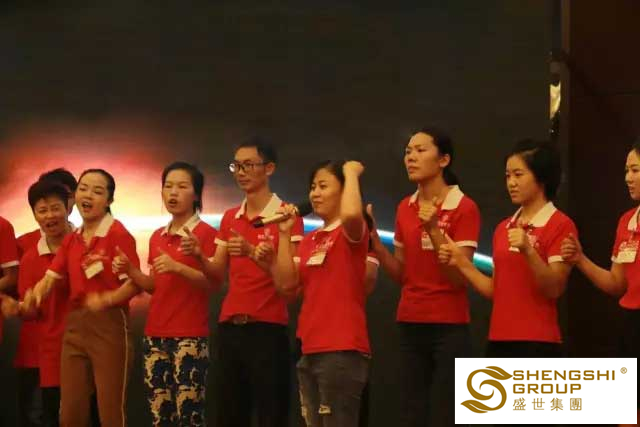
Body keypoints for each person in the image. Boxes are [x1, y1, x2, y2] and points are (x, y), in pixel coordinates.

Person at [367, 127, 481, 427]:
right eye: (408, 152)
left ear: (443, 160)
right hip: (410, 322)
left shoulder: (464, 207)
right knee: (411, 412)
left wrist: (433, 229)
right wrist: (376, 244)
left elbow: (459, 278)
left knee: (447, 414)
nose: (411, 158)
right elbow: (402, 273)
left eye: (420, 150)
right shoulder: (405, 207)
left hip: (449, 325)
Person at [439, 139, 576, 357]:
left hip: (538, 341)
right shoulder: (503, 228)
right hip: (498, 339)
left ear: (541, 177)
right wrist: (461, 262)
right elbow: (495, 290)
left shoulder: (561, 224)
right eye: (507, 176)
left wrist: (528, 250)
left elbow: (554, 288)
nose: (511, 183)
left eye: (518, 175)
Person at [25, 168, 140, 426]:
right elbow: (51, 277)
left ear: (109, 200)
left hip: (109, 325)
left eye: (97, 191)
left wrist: (107, 299)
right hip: (75, 327)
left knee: (109, 411)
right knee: (70, 413)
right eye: (83, 189)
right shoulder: (73, 239)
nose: (88, 195)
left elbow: (135, 284)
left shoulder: (118, 234)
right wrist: (36, 293)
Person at [113, 162, 217, 426]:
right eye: (168, 186)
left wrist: (178, 267)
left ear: (196, 194)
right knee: (160, 416)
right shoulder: (157, 236)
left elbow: (213, 283)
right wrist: (130, 270)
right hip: (155, 335)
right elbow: (153, 287)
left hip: (190, 336)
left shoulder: (206, 234)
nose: (173, 192)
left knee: (189, 416)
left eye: (182, 186)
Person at [272, 160, 370, 427]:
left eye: (323, 186)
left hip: (341, 349)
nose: (315, 193)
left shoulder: (351, 231)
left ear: (344, 191)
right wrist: (284, 235)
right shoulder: (309, 240)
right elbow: (286, 284)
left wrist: (351, 172)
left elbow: (352, 214)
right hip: (309, 348)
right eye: (313, 187)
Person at [560, 138, 640, 425]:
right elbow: (617, 284)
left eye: (635, 170)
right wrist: (580, 259)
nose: (628, 178)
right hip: (630, 327)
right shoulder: (627, 222)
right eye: (626, 170)